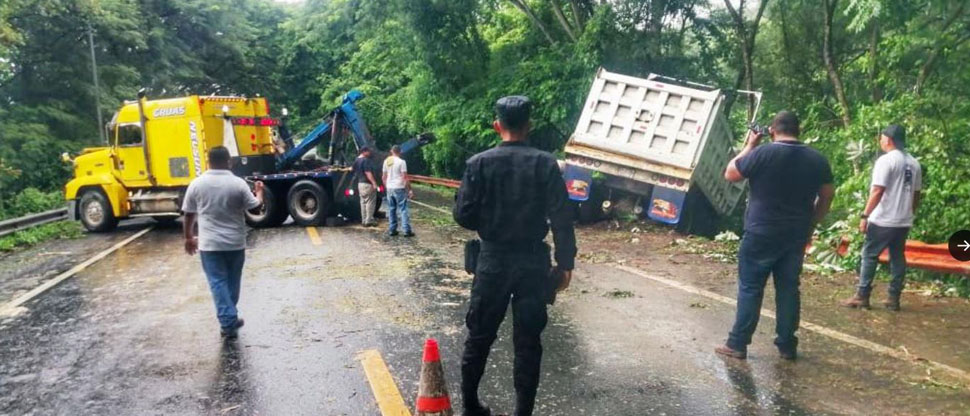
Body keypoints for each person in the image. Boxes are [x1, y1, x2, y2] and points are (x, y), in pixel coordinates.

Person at [453, 96, 576, 416]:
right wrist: (565, 265)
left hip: (492, 260)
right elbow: (562, 219)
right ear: (529, 125)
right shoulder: (546, 163)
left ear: (497, 126)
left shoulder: (478, 163)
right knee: (528, 340)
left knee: (479, 335)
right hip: (533, 264)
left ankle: (470, 407)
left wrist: (489, 221)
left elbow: (463, 216)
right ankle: (523, 412)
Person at [716, 111, 834, 361]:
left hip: (760, 231)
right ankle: (787, 345)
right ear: (798, 130)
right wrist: (812, 223)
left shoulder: (761, 154)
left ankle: (737, 344)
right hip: (795, 234)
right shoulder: (817, 160)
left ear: (772, 130)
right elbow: (827, 195)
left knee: (750, 287)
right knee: (789, 289)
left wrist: (749, 145)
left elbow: (730, 174)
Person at [182, 146, 264, 339]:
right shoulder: (238, 184)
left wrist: (188, 237)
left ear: (208, 161)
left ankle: (228, 319)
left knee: (218, 282)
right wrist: (259, 191)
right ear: (229, 161)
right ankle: (229, 319)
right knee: (233, 282)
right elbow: (255, 206)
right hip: (235, 244)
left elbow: (188, 214)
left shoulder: (197, 184)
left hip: (210, 246)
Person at [841, 125, 921, 311]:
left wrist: (865, 215)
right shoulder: (914, 163)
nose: (880, 141)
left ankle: (862, 295)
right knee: (897, 257)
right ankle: (894, 298)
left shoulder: (886, 161)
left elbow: (878, 190)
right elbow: (916, 194)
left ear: (889, 140)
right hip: (903, 220)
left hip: (883, 219)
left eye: (882, 138)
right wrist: (910, 212)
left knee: (869, 255)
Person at [383, 145, 414, 237]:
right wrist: (410, 190)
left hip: (390, 187)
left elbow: (383, 177)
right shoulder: (401, 162)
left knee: (392, 209)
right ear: (400, 152)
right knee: (403, 209)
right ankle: (406, 230)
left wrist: (387, 186)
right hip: (399, 187)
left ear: (391, 151)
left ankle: (392, 230)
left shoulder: (386, 161)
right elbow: (405, 177)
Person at [352, 146, 380, 227]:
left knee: (363, 202)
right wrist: (374, 183)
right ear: (364, 152)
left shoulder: (357, 160)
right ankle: (369, 220)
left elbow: (351, 169)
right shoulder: (366, 160)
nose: (370, 153)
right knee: (370, 202)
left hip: (360, 184)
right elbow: (368, 173)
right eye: (368, 151)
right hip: (367, 184)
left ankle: (364, 220)